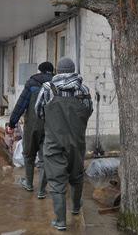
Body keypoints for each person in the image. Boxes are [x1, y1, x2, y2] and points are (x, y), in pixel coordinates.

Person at [35, 57, 93, 231]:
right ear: (73, 70)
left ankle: (60, 221)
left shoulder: (47, 88)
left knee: (56, 179)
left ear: (57, 71)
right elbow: (88, 111)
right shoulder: (83, 89)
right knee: (76, 175)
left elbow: (39, 111)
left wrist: (53, 122)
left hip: (54, 141)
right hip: (77, 140)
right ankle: (75, 208)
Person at [7, 61, 54, 199]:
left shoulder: (32, 83)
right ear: (52, 71)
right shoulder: (56, 85)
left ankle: (28, 183)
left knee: (29, 154)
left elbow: (21, 104)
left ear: (40, 70)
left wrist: (12, 122)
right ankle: (42, 190)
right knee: (45, 158)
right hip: (50, 127)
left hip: (32, 126)